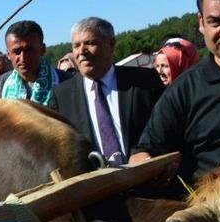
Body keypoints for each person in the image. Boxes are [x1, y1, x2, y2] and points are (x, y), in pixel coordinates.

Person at [130, 0, 220, 183]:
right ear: (201, 22)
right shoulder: (184, 90)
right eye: (216, 22)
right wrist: (149, 165)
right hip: (212, 210)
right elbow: (143, 152)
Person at [48, 17, 163, 166]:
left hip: (148, 179)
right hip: (95, 186)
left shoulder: (144, 82)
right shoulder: (62, 96)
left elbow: (166, 128)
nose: (82, 52)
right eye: (76, 46)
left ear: (111, 44)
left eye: (90, 43)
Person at [0, 20, 73, 105]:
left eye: (29, 50)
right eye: (17, 51)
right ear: (8, 54)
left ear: (42, 49)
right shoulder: (2, 84)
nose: (23, 58)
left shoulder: (67, 81)